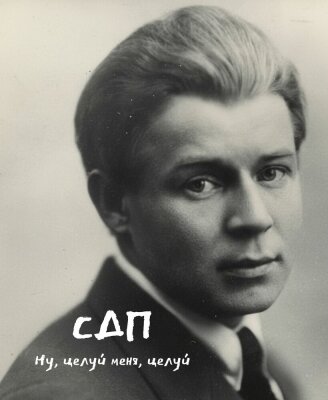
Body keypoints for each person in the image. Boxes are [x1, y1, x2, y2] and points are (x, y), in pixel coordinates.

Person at [0, 5, 306, 400]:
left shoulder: (257, 368)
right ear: (113, 203)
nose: (254, 217)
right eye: (201, 183)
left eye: (271, 173)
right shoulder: (62, 394)